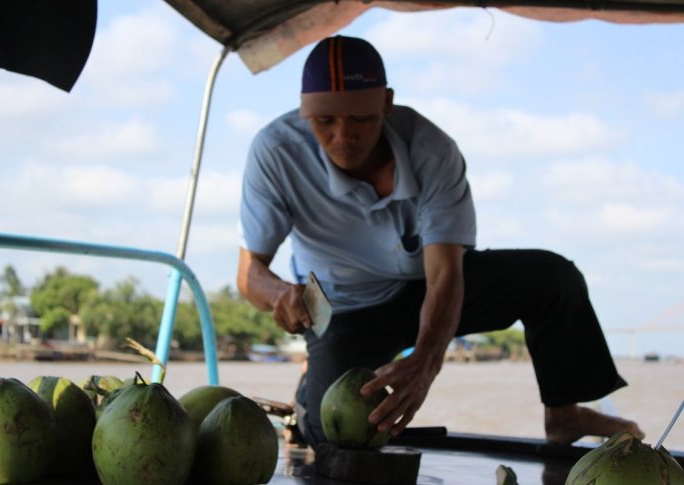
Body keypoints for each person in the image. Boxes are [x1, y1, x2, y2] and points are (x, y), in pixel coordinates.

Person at [236, 35, 643, 448]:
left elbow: (446, 273)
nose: (344, 137)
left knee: (553, 278)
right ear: (304, 111)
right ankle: (310, 393)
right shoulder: (275, 152)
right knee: (335, 436)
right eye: (325, 121)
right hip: (346, 308)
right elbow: (249, 273)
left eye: (362, 119)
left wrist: (426, 363)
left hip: (429, 288)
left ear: (386, 103)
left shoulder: (432, 151)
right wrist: (280, 294)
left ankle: (563, 415)